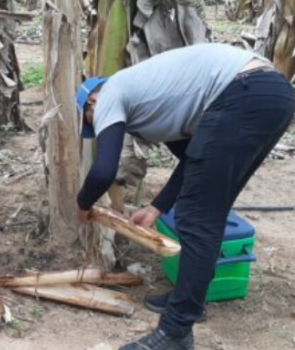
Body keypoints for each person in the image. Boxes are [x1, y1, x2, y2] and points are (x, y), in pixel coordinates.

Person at [75, 43, 294, 350]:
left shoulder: (110, 92)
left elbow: (103, 171)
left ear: (93, 101)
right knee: (210, 209)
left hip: (243, 92)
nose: (98, 127)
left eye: (91, 121)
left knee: (197, 217)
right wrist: (156, 208)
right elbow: (193, 160)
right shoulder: (155, 104)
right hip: (271, 94)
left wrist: (83, 204)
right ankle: (189, 302)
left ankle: (175, 332)